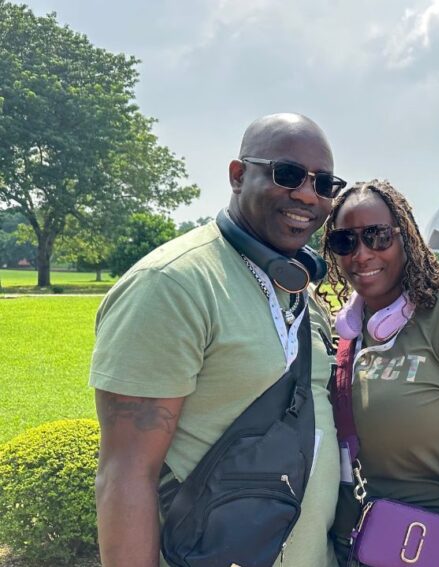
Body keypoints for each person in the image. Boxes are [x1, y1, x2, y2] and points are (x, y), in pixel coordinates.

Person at [91, 114, 343, 566]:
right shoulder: (172, 286)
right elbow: (126, 472)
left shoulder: (298, 293)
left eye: (324, 184)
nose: (307, 194)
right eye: (287, 174)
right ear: (237, 175)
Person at [322, 180, 439, 566]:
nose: (361, 254)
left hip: (430, 546)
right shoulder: (342, 331)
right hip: (349, 546)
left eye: (377, 236)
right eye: (345, 241)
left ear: (406, 237)